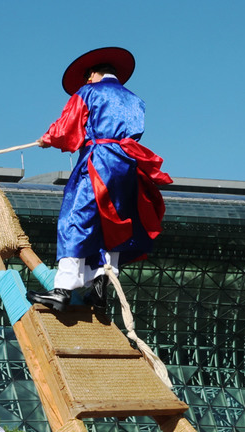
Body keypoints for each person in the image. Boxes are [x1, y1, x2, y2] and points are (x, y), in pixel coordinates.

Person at [27, 47, 172, 313]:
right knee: (112, 224)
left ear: (93, 74)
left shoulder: (89, 92)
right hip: (126, 165)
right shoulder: (135, 99)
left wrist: (48, 139)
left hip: (99, 160)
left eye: (87, 77)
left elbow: (68, 127)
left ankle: (62, 289)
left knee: (75, 217)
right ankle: (100, 290)